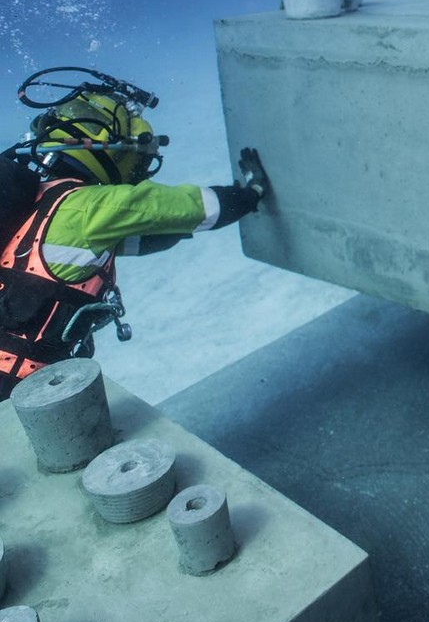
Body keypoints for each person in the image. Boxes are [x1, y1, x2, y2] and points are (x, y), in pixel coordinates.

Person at [0, 69, 269, 400]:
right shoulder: (91, 208)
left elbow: (135, 240)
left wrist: (175, 230)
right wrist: (253, 192)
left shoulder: (42, 200)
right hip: (16, 389)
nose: (135, 174)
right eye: (134, 164)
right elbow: (189, 208)